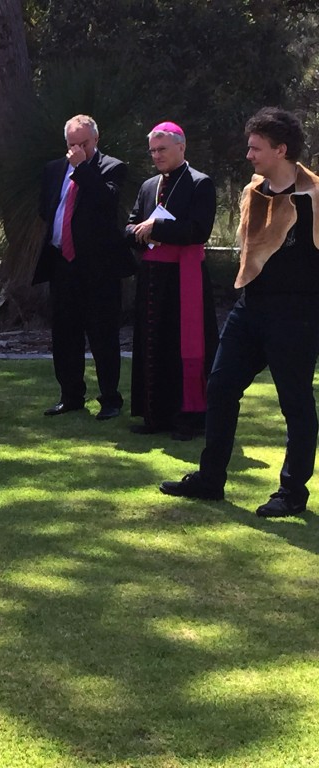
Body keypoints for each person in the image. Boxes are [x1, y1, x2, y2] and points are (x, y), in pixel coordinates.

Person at [161, 107, 319, 518]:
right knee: (220, 387)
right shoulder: (253, 191)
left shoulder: (314, 196)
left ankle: (292, 492)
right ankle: (210, 480)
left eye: (256, 147)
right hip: (249, 309)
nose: (248, 154)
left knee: (296, 403)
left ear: (281, 149)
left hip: (298, 315)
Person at [34, 114, 133, 420]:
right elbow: (45, 208)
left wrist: (82, 168)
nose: (77, 150)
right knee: (65, 335)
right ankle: (71, 395)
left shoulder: (111, 168)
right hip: (63, 264)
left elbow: (106, 202)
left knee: (103, 334)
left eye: (84, 144)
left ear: (96, 141)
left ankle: (110, 399)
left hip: (98, 268)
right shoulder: (53, 170)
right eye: (72, 144)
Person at [126, 122, 218, 440]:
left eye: (162, 149)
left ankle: (188, 419)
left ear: (182, 146)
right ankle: (155, 415)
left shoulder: (200, 183)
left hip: (184, 277)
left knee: (183, 346)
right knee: (151, 346)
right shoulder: (149, 184)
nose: (156, 155)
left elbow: (198, 230)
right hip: (152, 278)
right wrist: (135, 232)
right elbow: (132, 223)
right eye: (152, 150)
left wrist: (156, 230)